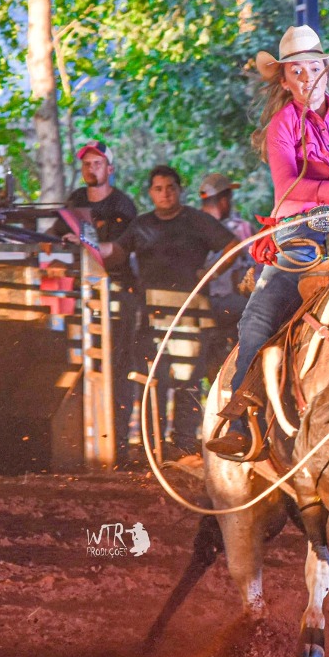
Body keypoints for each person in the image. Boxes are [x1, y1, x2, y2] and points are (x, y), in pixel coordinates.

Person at [206, 25, 329, 457]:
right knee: (258, 320)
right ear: (284, 80)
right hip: (298, 237)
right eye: (297, 72)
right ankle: (242, 417)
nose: (308, 79)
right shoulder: (281, 126)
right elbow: (286, 187)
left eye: (314, 69)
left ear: (327, 71)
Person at [81, 165, 239, 458]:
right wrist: (87, 245)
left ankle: (184, 444)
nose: (165, 193)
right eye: (158, 188)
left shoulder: (197, 220)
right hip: (150, 314)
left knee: (188, 379)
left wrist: (211, 272)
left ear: (179, 190)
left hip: (191, 311)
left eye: (170, 188)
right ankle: (151, 445)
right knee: (152, 378)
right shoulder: (141, 225)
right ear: (150, 193)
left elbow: (232, 246)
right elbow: (117, 251)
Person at [50, 139, 138, 467]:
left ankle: (119, 448)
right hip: (83, 297)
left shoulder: (123, 206)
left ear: (110, 168)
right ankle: (83, 442)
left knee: (117, 367)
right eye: (87, 163)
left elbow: (122, 250)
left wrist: (86, 244)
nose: (91, 168)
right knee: (81, 365)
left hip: (118, 293)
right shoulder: (73, 201)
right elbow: (55, 234)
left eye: (97, 163)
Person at [198, 173, 255, 377]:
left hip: (193, 307)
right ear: (223, 201)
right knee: (256, 314)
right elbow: (254, 267)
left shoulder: (190, 225)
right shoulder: (239, 230)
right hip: (224, 307)